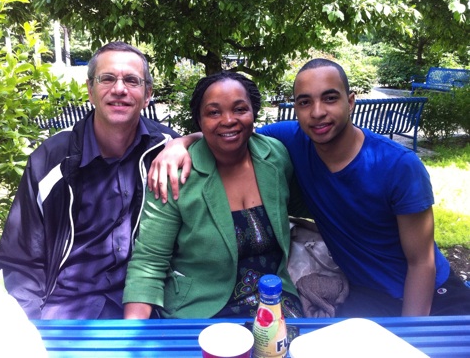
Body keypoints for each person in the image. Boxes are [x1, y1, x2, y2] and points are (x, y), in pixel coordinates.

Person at [146, 59, 470, 317]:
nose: (317, 112)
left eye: (330, 98)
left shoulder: (399, 166)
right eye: (305, 102)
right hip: (367, 294)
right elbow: (231, 132)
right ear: (296, 108)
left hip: (431, 292)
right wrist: (179, 143)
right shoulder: (290, 140)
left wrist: (413, 332)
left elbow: (422, 263)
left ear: (351, 101)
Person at [0, 41, 180, 319]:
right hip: (65, 308)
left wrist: (188, 140)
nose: (119, 89)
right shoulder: (51, 160)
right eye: (107, 79)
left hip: (147, 305)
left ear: (147, 94)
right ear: (90, 91)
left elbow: (223, 141)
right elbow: (21, 262)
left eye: (131, 80)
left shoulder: (166, 149)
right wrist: (31, 328)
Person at [123, 71, 307, 319]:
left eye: (240, 109)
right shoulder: (175, 175)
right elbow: (149, 262)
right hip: (202, 309)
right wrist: (133, 336)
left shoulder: (275, 156)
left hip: (273, 300)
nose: (228, 120)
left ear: (254, 113)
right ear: (199, 120)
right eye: (214, 112)